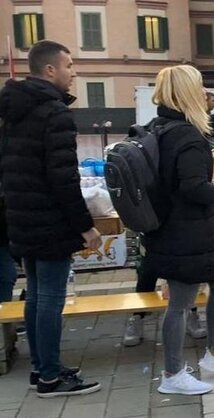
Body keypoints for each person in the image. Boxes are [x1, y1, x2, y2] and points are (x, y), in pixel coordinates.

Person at [0, 40, 101, 397]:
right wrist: (86, 226)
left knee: (35, 295)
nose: (73, 73)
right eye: (69, 66)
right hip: (49, 220)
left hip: (22, 217)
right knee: (50, 298)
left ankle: (43, 367)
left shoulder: (13, 110)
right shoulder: (53, 112)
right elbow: (63, 178)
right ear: (50, 70)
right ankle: (50, 378)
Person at [143, 65, 214, 396]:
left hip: (169, 228)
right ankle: (173, 373)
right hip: (186, 231)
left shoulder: (157, 127)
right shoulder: (187, 136)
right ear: (187, 92)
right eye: (200, 87)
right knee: (180, 300)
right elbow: (191, 186)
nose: (206, 93)